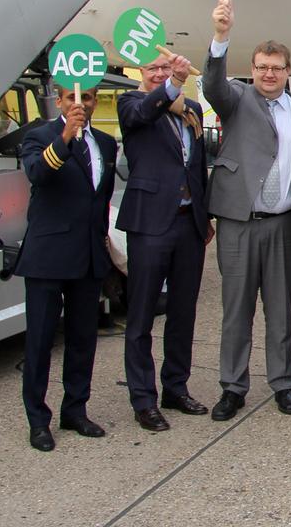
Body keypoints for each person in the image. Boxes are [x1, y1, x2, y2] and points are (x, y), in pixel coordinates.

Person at [203, 0, 291, 422]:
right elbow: (212, 82)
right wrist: (220, 37)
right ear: (252, 70)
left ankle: (283, 383)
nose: (269, 74)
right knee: (236, 311)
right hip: (238, 225)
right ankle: (233, 386)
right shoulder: (234, 100)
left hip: (283, 225)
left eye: (277, 67)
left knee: (281, 310)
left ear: (290, 72)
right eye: (262, 67)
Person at [15, 86, 117, 451]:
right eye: (73, 98)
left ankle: (75, 409)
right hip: (49, 254)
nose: (81, 104)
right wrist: (65, 137)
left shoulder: (106, 143)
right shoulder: (39, 136)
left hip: (88, 254)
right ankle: (38, 421)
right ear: (58, 101)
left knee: (82, 340)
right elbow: (38, 174)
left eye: (88, 98)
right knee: (41, 341)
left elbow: (100, 197)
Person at [116, 54, 212, 431]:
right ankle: (143, 398)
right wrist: (173, 81)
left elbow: (197, 163)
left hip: (189, 222)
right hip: (151, 224)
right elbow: (144, 114)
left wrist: (205, 216)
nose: (159, 74)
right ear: (141, 74)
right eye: (153, 69)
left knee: (183, 311)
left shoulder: (189, 109)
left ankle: (176, 386)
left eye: (164, 69)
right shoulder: (133, 104)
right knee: (141, 315)